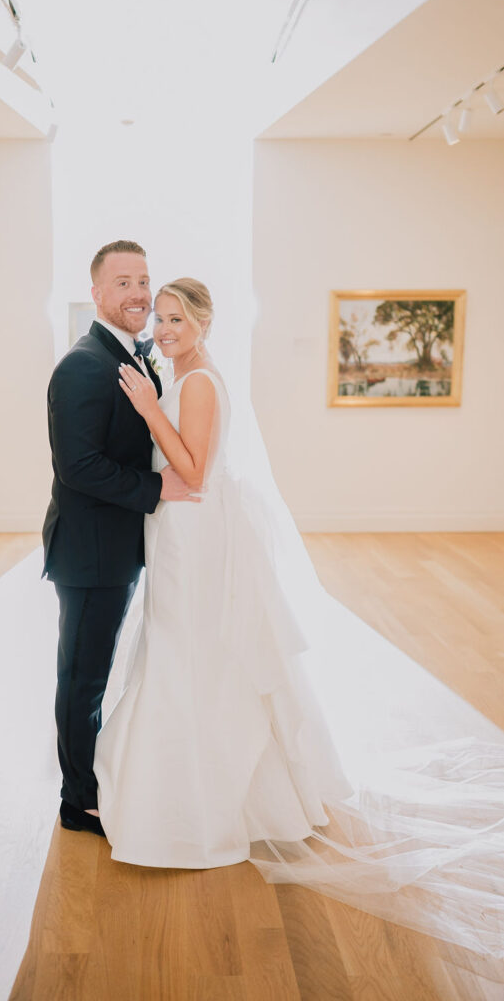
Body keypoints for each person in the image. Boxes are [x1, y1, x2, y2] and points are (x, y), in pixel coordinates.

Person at [93, 277, 504, 958]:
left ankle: (194, 808)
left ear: (201, 322)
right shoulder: (189, 375)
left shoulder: (195, 383)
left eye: (173, 318)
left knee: (186, 655)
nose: (161, 329)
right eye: (157, 319)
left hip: (192, 538)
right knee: (187, 654)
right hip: (182, 533)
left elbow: (192, 473)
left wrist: (144, 408)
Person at [41, 241, 197, 837]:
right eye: (123, 282)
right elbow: (76, 466)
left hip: (113, 548)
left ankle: (88, 782)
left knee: (92, 673)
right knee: (82, 679)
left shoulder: (130, 356)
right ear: (98, 292)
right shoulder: (84, 364)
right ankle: (78, 801)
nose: (137, 294)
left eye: (144, 281)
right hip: (90, 554)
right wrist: (155, 487)